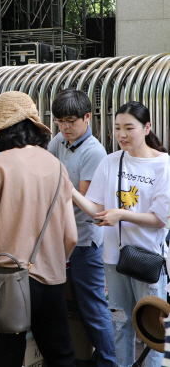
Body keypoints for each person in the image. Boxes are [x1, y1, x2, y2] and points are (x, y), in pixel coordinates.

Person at [0, 91, 77, 367]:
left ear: (3, 129)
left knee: (4, 359)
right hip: (52, 278)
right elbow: (72, 236)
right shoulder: (56, 165)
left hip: (6, 279)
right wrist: (51, 260)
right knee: (60, 356)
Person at [72, 101, 170, 367]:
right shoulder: (110, 161)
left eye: (129, 128)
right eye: (117, 128)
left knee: (154, 329)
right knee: (120, 322)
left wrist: (121, 214)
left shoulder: (163, 165)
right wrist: (70, 192)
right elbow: (97, 210)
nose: (122, 134)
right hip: (113, 257)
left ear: (147, 127)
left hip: (148, 259)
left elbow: (160, 219)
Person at [47, 90, 115, 367]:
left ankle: (109, 361)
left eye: (70, 121)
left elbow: (83, 199)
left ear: (87, 117)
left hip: (85, 241)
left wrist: (60, 183)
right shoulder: (58, 141)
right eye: (60, 121)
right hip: (60, 238)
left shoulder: (94, 151)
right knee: (68, 306)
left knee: (93, 308)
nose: (64, 127)